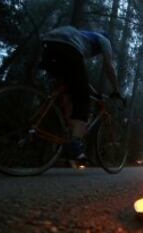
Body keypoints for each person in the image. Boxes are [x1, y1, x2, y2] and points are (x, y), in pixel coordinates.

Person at [39, 26, 123, 168]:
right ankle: (75, 143)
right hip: (68, 47)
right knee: (83, 100)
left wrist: (93, 92)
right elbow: (109, 66)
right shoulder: (104, 40)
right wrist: (116, 89)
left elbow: (77, 77)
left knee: (69, 92)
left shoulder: (83, 37)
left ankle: (66, 132)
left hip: (48, 43)